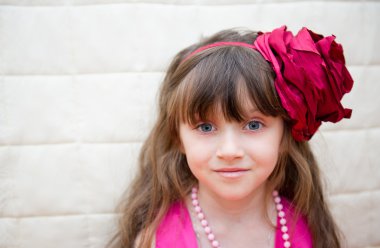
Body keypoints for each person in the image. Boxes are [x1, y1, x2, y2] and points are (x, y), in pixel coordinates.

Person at [109, 25, 354, 248]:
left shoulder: (307, 229)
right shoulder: (156, 240)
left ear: (285, 134)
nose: (229, 150)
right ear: (177, 137)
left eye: (254, 125)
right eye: (205, 127)